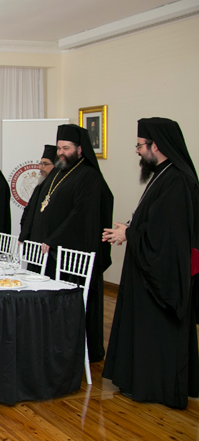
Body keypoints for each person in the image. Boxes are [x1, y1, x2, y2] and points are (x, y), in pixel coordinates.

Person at [102, 117, 199, 409]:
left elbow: (167, 234)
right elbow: (151, 218)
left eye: (140, 145)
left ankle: (157, 386)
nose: (137, 151)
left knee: (157, 330)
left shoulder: (179, 179)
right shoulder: (163, 173)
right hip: (145, 268)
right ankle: (139, 380)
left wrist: (130, 233)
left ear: (156, 145)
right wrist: (129, 229)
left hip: (162, 274)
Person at [24, 124, 114, 362]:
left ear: (80, 149)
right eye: (59, 148)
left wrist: (54, 240)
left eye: (66, 148)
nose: (61, 153)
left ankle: (66, 351)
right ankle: (45, 344)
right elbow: (38, 205)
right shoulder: (58, 172)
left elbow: (81, 216)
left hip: (68, 253)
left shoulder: (89, 177)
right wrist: (31, 234)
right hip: (46, 250)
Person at [19, 145, 57, 240]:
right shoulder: (40, 186)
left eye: (45, 164)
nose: (41, 167)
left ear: (56, 166)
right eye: (40, 164)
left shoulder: (56, 187)